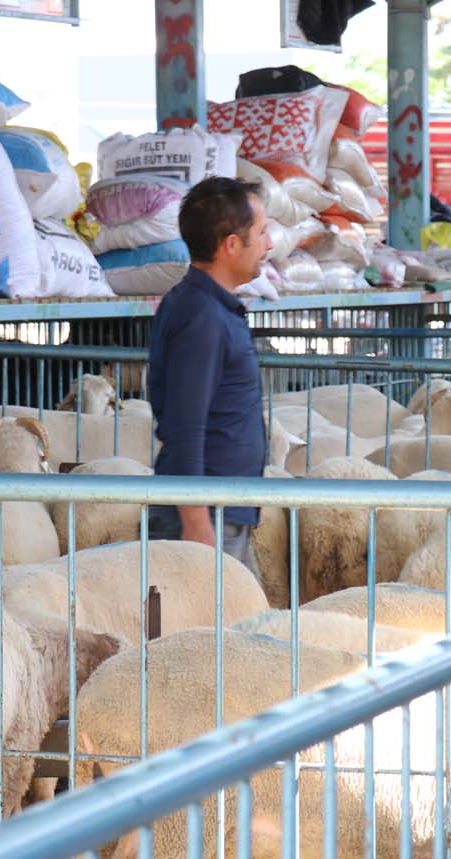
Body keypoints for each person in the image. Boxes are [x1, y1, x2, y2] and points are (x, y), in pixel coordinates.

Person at [146, 176, 273, 576]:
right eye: (262, 233)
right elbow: (185, 425)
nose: (269, 244)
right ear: (231, 245)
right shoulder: (202, 316)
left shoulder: (207, 307)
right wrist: (196, 521)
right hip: (207, 517)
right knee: (207, 635)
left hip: (221, 509)